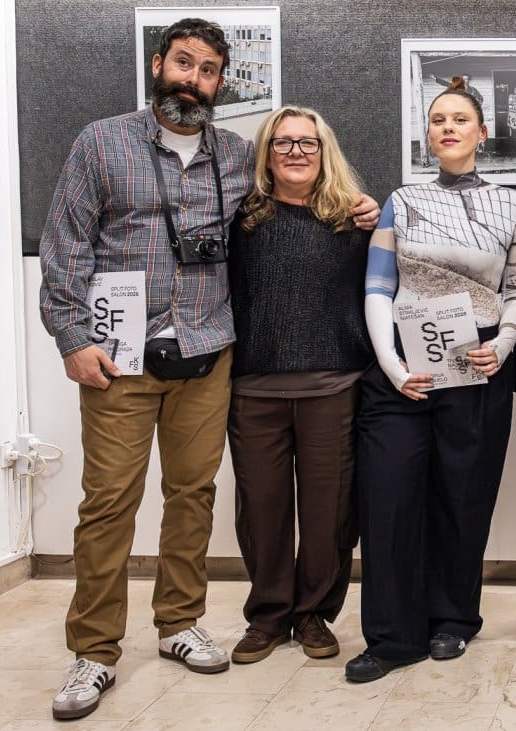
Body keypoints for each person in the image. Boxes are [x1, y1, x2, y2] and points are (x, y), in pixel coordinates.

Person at [40, 18, 377, 721]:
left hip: (209, 350)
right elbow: (66, 243)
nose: (192, 80)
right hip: (121, 355)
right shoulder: (102, 142)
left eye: (208, 70)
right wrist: (72, 336)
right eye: (183, 63)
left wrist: (361, 206)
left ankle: (178, 623)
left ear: (222, 82)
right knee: (109, 502)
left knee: (192, 495)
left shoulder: (235, 156)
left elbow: (303, 195)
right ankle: (94, 650)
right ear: (157, 64)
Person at [346, 78, 516, 683]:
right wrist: (391, 364)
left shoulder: (515, 205)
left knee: (464, 495)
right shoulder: (401, 201)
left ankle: (453, 619)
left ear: (482, 132)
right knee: (389, 498)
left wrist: (503, 346)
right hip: (402, 363)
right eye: (437, 120)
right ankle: (391, 637)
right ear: (426, 135)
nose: (448, 128)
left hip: (477, 362)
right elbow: (378, 286)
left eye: (460, 119)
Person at [225, 106, 372, 665]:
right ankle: (267, 617)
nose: (295, 152)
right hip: (253, 390)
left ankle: (313, 615)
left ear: (323, 151)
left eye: (307, 143)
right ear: (266, 153)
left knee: (328, 511)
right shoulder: (240, 220)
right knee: (261, 511)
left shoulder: (353, 221)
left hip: (332, 388)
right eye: (282, 143)